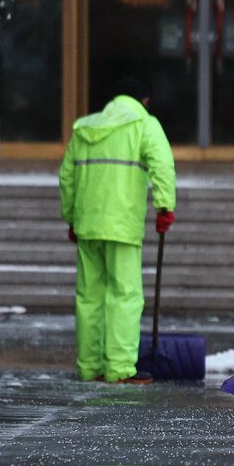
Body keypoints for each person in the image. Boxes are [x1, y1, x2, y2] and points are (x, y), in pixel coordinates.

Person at [59, 76, 176, 385]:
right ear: (145, 101)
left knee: (89, 296)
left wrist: (71, 217)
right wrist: (165, 206)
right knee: (125, 295)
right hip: (122, 225)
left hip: (87, 225)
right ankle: (120, 369)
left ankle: (89, 367)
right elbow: (162, 164)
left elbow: (67, 177)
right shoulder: (144, 124)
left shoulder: (84, 128)